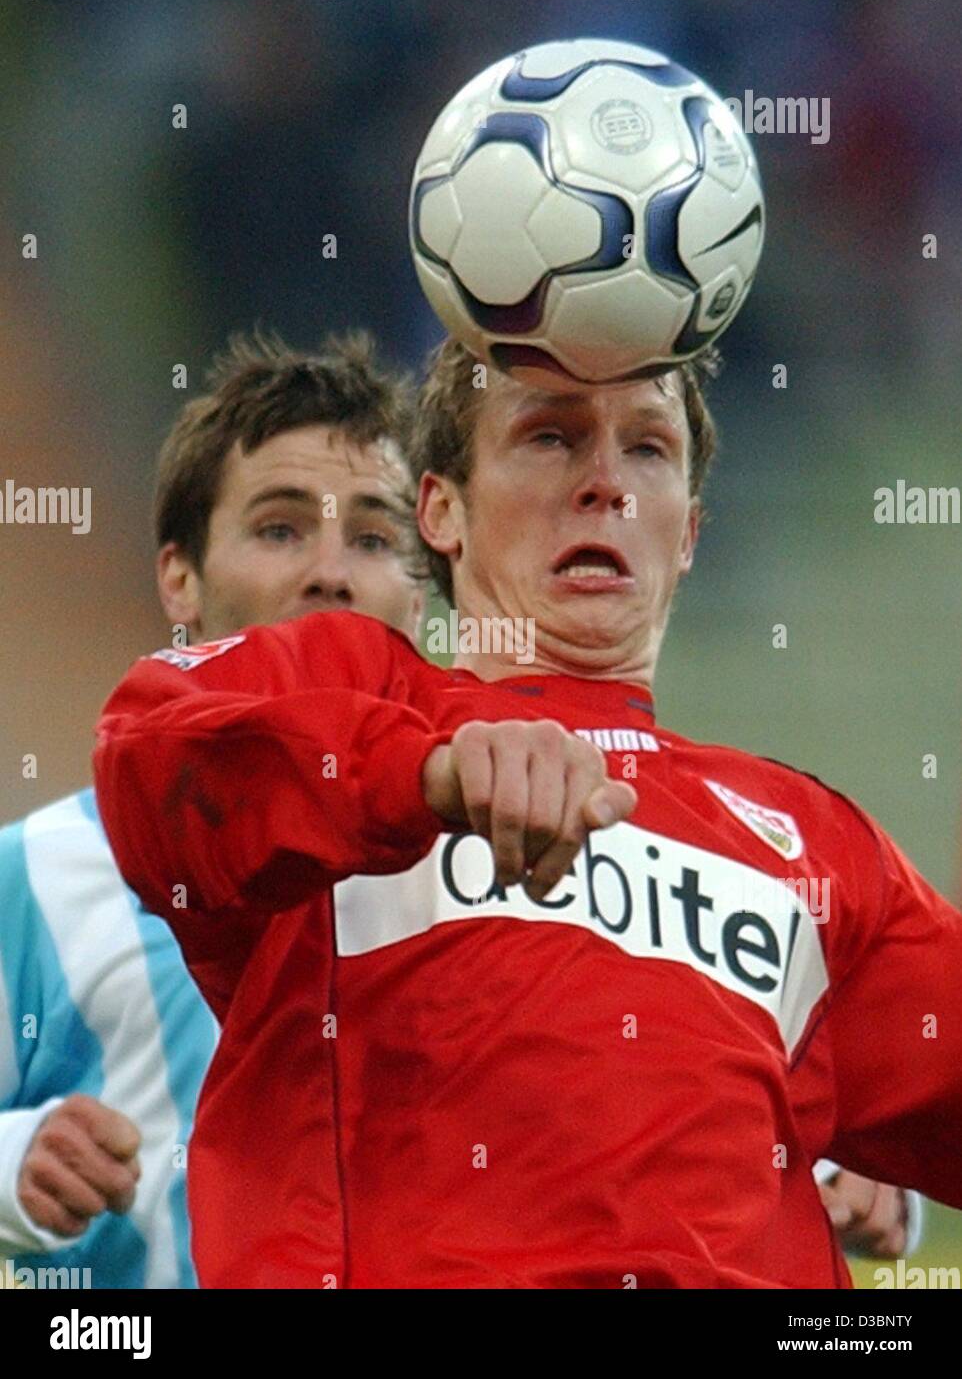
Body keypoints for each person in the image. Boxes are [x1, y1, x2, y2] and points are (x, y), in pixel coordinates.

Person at [92, 339, 953, 1288]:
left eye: (648, 450)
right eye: (550, 436)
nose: (606, 488)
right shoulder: (361, 699)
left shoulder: (812, 841)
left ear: (692, 533)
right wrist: (427, 775)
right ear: (442, 511)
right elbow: (152, 762)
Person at [0, 330, 426, 1286]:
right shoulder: (35, 877)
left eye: (375, 537)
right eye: (279, 529)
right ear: (178, 579)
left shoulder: (502, 867)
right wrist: (9, 1168)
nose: (331, 572)